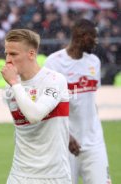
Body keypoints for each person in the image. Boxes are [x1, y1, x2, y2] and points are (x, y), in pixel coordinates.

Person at [45, 19, 112, 184]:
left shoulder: (94, 63)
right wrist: (67, 136)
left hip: (94, 142)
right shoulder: (54, 63)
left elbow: (90, 101)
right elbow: (47, 106)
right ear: (81, 36)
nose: (96, 42)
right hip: (64, 143)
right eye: (93, 37)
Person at [1, 29, 71, 184]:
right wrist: (14, 85)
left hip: (54, 176)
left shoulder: (54, 80)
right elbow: (23, 131)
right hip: (19, 174)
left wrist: (14, 84)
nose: (8, 60)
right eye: (6, 53)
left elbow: (34, 116)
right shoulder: (11, 89)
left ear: (31, 54)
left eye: (13, 54)